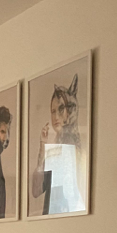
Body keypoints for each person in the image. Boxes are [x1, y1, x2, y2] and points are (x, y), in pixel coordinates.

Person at [30, 75, 83, 216]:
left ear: (70, 110)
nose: (55, 116)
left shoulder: (72, 148)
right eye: (53, 111)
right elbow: (36, 190)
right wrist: (43, 146)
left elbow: (71, 194)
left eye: (61, 109)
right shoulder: (55, 149)